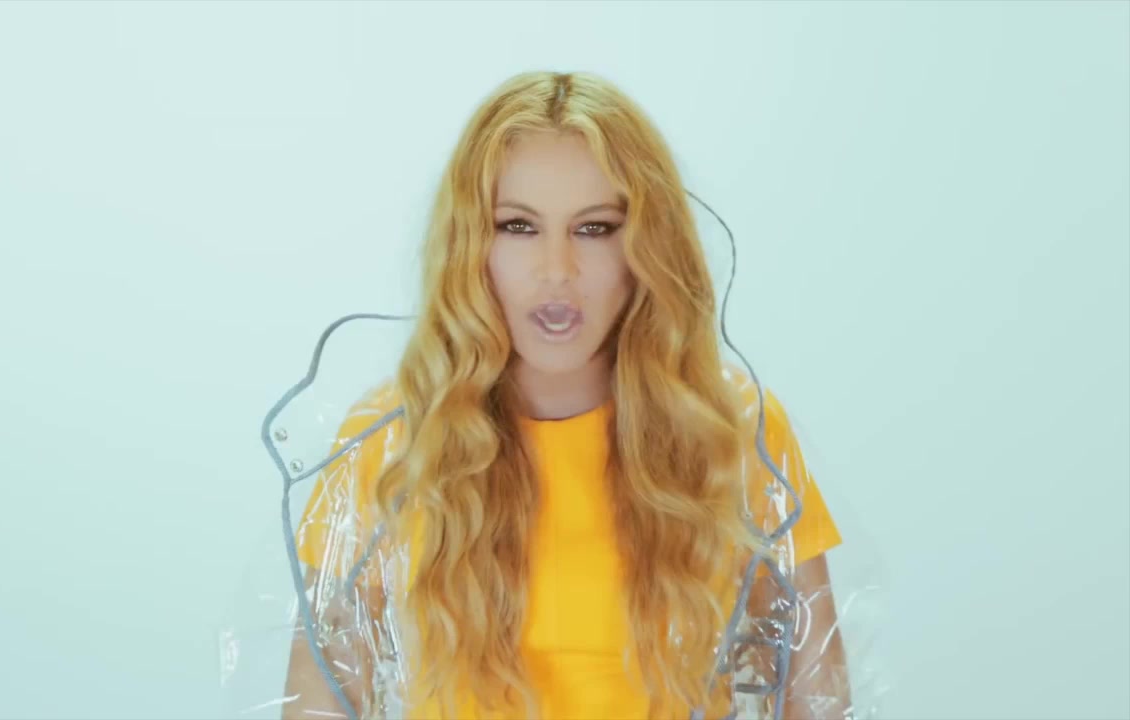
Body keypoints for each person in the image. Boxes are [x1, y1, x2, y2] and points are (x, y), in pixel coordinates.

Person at [280, 71, 851, 720]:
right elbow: (319, 695)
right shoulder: (390, 437)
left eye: (595, 228)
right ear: (470, 244)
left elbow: (818, 699)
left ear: (647, 247)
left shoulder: (732, 431)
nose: (557, 270)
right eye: (518, 226)